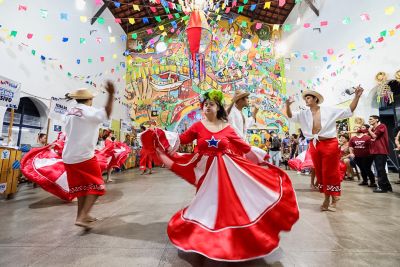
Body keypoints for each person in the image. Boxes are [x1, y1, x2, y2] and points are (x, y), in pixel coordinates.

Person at [155, 89, 299, 261]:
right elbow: (180, 140)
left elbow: (244, 147)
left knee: (225, 206)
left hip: (225, 172)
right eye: (205, 104)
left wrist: (262, 159)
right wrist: (159, 138)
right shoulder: (197, 126)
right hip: (204, 172)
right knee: (205, 204)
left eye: (211, 104)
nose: (207, 106)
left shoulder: (227, 127)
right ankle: (202, 238)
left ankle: (229, 241)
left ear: (218, 108)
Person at [286, 86, 363, 211]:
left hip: (329, 143)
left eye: (308, 97)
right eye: (305, 98)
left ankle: (330, 199)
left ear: (315, 99)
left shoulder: (328, 110)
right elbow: (290, 116)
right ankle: (330, 197)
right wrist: (288, 105)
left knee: (330, 171)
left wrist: (357, 96)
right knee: (320, 171)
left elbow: (348, 110)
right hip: (314, 144)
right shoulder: (303, 113)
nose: (306, 100)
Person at [62, 81, 115, 229]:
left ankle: (81, 216)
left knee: (82, 188)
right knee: (98, 186)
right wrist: (111, 94)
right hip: (84, 155)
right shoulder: (88, 111)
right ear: (89, 100)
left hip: (68, 156)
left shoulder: (69, 113)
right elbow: (106, 113)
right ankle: (83, 215)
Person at [368, 115, 393, 193]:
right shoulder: (373, 128)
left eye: (371, 119)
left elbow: (375, 135)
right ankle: (387, 187)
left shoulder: (381, 126)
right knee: (380, 170)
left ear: (376, 120)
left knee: (380, 170)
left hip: (381, 151)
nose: (369, 121)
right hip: (376, 151)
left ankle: (382, 187)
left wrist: (369, 130)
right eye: (369, 119)